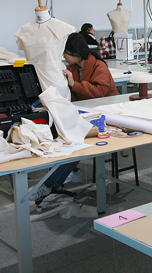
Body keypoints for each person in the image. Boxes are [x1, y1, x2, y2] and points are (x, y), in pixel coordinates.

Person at [30, 33, 118, 203]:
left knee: (75, 141)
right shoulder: (72, 68)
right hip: (83, 113)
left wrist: (73, 84)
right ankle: (69, 174)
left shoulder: (98, 66)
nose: (63, 56)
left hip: (103, 114)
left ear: (75, 53)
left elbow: (99, 93)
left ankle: (49, 183)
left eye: (65, 53)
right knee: (61, 136)